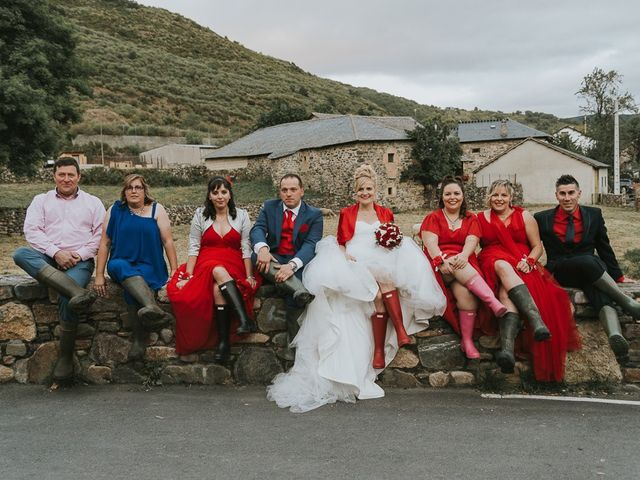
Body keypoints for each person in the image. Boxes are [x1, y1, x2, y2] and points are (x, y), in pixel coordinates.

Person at [267, 165, 446, 412]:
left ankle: (382, 350)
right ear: (355, 192)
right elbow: (342, 243)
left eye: (369, 189)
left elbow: (393, 238)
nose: (365, 193)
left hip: (381, 258)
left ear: (376, 190)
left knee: (384, 285)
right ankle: (396, 336)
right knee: (381, 287)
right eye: (361, 189)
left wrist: (391, 247)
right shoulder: (347, 213)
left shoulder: (385, 212)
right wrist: (347, 256)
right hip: (356, 258)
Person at [13, 157, 105, 382]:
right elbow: (32, 231)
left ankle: (65, 358)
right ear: (54, 175)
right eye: (61, 174)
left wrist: (78, 255)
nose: (66, 179)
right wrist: (56, 253)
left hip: (80, 260)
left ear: (78, 177)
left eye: (70, 175)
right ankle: (78, 292)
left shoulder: (93, 202)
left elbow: (101, 236)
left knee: (67, 297)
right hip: (46, 257)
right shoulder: (41, 200)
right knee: (20, 254)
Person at [477, 179, 580, 382]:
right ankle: (536, 321)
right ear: (489, 196)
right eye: (495, 195)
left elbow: (537, 246)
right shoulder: (479, 218)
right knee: (500, 265)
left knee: (505, 293)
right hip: (492, 263)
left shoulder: (524, 216)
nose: (499, 199)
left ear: (511, 197)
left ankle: (506, 350)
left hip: (521, 264)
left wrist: (530, 261)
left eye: (504, 195)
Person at [535, 174, 638, 357]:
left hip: (591, 271)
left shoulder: (594, 214)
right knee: (588, 260)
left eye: (571, 193)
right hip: (561, 270)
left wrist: (619, 276)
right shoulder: (542, 218)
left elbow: (604, 247)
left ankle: (614, 333)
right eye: (562, 193)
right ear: (556, 195)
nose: (567, 198)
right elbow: (532, 245)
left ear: (579, 193)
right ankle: (626, 302)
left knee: (597, 290)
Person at [167, 176, 260, 362]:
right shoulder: (200, 215)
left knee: (218, 289)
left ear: (230, 195)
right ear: (209, 195)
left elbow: (246, 248)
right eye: (215, 192)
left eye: (224, 192)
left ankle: (224, 343)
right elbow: (194, 247)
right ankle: (244, 319)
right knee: (215, 269)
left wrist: (249, 275)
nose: (220, 196)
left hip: (233, 263)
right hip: (206, 261)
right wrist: (189, 275)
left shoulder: (241, 215)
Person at [420, 176, 507, 359]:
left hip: (463, 262)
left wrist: (463, 255)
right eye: (448, 194)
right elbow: (431, 244)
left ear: (463, 195)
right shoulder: (433, 217)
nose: (452, 197)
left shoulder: (470, 218)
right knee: (454, 263)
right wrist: (440, 261)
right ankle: (491, 301)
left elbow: (472, 241)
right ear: (442, 197)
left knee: (467, 298)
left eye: (456, 193)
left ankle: (466, 341)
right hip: (439, 266)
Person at [94, 174, 177, 360]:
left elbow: (168, 241)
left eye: (138, 187)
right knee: (121, 267)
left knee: (131, 287)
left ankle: (138, 341)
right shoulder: (115, 210)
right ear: (124, 191)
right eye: (129, 187)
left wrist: (174, 271)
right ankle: (151, 307)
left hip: (151, 265)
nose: (133, 191)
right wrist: (99, 274)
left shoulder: (157, 209)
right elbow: (105, 243)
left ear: (144, 190)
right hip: (121, 262)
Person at [250, 173, 323, 356]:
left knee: (293, 299)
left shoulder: (314, 215)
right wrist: (263, 249)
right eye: (284, 190)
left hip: (298, 261)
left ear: (302, 191)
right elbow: (258, 228)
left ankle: (295, 350)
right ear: (280, 192)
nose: (288, 194)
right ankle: (298, 289)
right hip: (273, 259)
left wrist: (291, 265)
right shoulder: (269, 207)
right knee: (255, 256)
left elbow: (311, 244)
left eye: (293, 189)